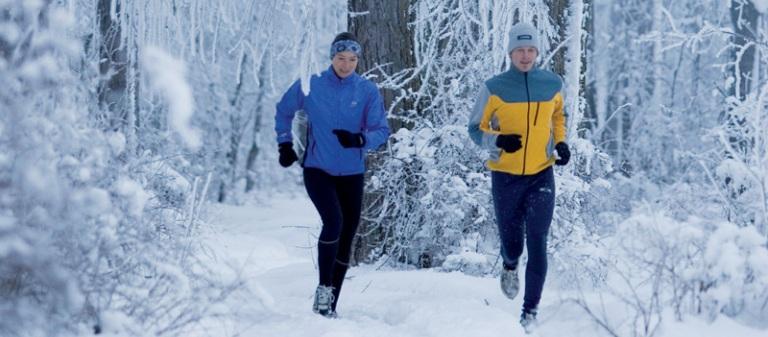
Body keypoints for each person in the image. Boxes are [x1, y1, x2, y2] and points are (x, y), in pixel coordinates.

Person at [274, 32, 389, 318]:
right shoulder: (311, 84)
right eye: (341, 58)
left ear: (358, 60)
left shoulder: (366, 90)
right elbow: (283, 110)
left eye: (352, 59)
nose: (346, 64)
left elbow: (381, 130)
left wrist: (360, 140)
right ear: (332, 58)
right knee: (333, 221)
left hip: (352, 172)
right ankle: (323, 288)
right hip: (318, 169)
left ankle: (330, 305)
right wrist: (285, 143)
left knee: (347, 234)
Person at [467, 22, 571, 333]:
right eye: (519, 50)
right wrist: (497, 140)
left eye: (530, 50)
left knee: (538, 239)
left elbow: (558, 115)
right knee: (513, 244)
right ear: (511, 53)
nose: (525, 56)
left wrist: (562, 142)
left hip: (541, 173)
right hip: (505, 177)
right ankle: (509, 264)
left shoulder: (552, 83)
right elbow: (475, 128)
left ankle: (530, 312)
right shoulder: (495, 87)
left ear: (537, 52)